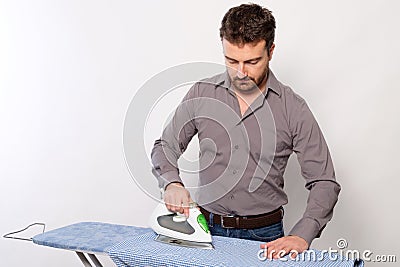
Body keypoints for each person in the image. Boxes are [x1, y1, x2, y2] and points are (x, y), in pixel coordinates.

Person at [151, 3, 340, 258]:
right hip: (206, 230)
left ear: (270, 51)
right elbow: (165, 146)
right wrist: (171, 182)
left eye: (252, 62)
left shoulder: (293, 108)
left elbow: (324, 182)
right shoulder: (202, 93)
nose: (241, 72)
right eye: (231, 60)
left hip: (264, 236)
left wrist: (302, 234)